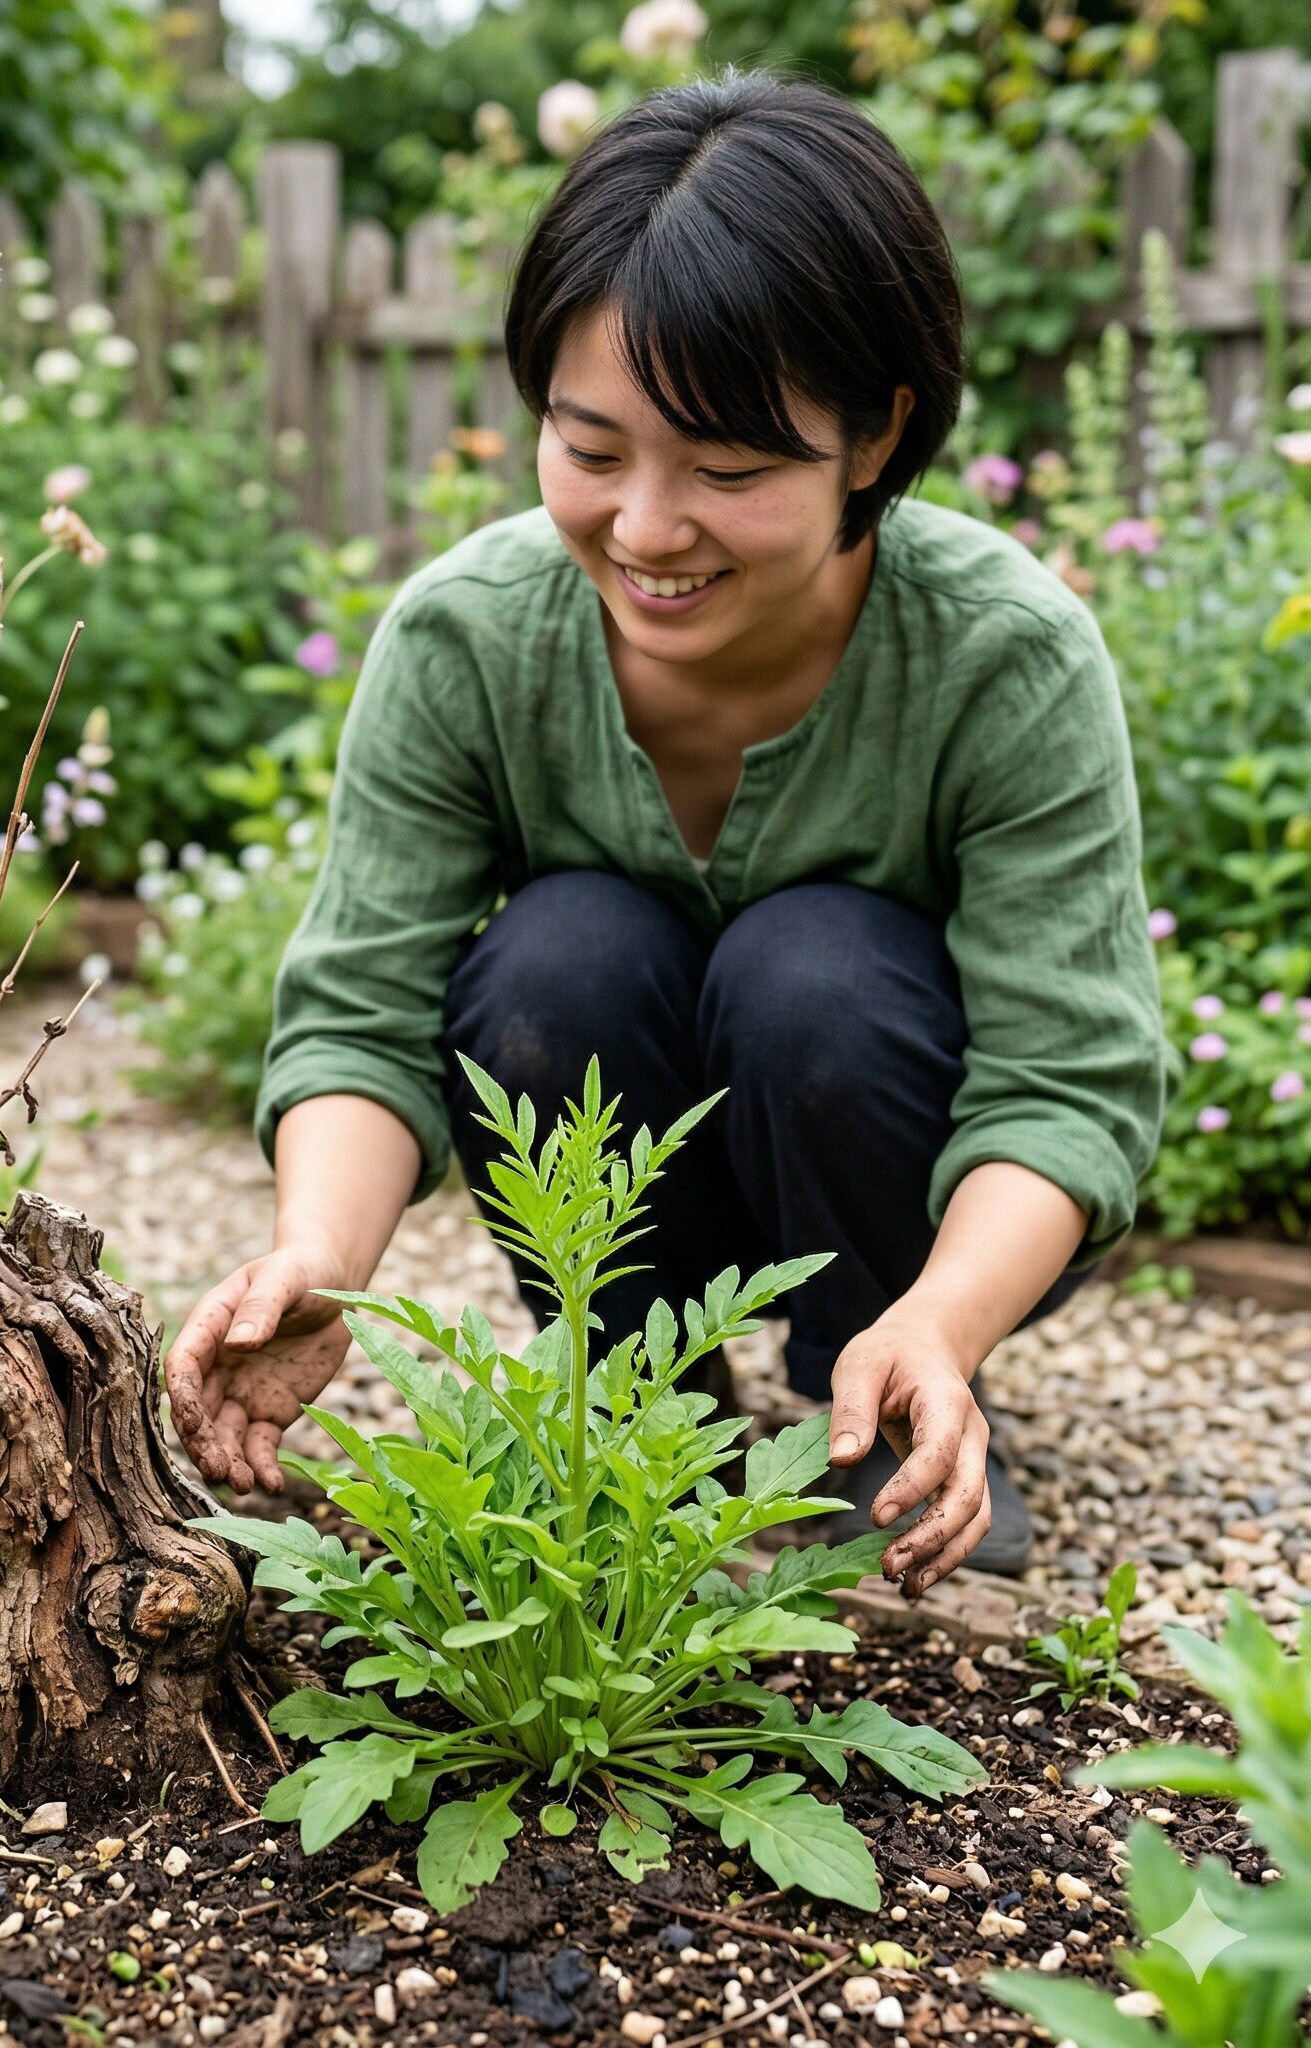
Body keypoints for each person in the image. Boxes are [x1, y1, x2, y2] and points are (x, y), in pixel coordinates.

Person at [164, 71, 1164, 1595]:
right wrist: (322, 1260)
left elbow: (1069, 1080)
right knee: (555, 957)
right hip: (623, 1133)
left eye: (730, 469)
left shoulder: (1002, 654)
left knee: (813, 969)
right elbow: (362, 1016)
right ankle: (641, 1408)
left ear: (879, 436)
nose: (644, 528)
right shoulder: (468, 642)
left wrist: (948, 1319)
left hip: (893, 1153)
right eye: (591, 448)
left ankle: (887, 1403)